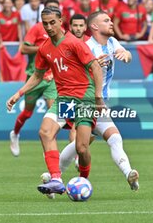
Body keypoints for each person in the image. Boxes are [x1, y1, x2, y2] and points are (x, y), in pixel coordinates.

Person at [6, 6, 104, 195]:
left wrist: (98, 98)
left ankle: (83, 182)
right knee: (45, 132)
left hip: (84, 97)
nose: (49, 27)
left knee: (81, 148)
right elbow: (37, 75)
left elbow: (96, 68)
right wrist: (18, 94)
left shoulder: (74, 43)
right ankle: (56, 179)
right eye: (45, 24)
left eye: (52, 22)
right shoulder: (44, 48)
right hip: (65, 99)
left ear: (61, 21)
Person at [59, 11, 140, 191]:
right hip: (85, 101)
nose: (111, 23)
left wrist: (126, 54)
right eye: (106, 20)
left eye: (111, 19)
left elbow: (123, 52)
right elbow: (74, 73)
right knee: (106, 139)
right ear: (94, 26)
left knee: (83, 143)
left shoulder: (111, 42)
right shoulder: (86, 47)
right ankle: (128, 172)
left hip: (99, 103)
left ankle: (53, 175)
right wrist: (93, 64)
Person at [9, 0, 61, 157]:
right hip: (35, 75)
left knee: (54, 113)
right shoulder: (37, 28)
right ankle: (15, 134)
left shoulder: (62, 31)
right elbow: (23, 48)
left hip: (51, 79)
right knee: (27, 113)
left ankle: (53, 150)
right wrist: (43, 49)